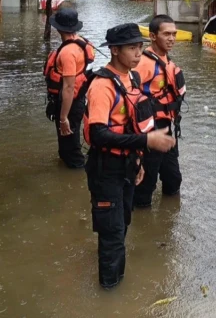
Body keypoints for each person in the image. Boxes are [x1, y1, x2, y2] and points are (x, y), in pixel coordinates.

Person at [83, 23, 176, 288]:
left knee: (122, 224)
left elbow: (129, 125)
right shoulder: (103, 86)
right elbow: (99, 134)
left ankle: (115, 285)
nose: (138, 53)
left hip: (127, 165)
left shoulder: (132, 78)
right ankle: (110, 291)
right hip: (105, 169)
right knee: (112, 233)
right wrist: (147, 140)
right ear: (114, 50)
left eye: (139, 47)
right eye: (132, 48)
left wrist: (138, 161)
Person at [133, 15, 186, 208]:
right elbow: (130, 96)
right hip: (149, 129)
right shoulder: (143, 64)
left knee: (173, 180)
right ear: (153, 36)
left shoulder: (165, 59)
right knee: (146, 183)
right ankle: (141, 222)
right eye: (167, 34)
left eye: (174, 34)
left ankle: (168, 218)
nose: (172, 38)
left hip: (167, 127)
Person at [43, 7, 95, 169]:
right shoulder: (81, 42)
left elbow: (68, 87)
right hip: (78, 99)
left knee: (70, 149)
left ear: (58, 28)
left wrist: (63, 117)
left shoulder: (67, 53)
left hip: (69, 103)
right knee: (68, 143)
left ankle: (78, 175)